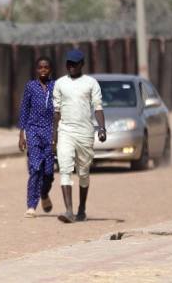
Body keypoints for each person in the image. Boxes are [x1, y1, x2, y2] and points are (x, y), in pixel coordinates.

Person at [52, 49, 106, 223]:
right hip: (65, 131)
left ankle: (81, 208)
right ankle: (68, 211)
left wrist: (102, 128)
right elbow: (57, 112)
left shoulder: (91, 83)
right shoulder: (60, 84)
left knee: (83, 172)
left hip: (85, 133)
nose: (71, 66)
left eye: (75, 63)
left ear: (82, 64)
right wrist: (54, 137)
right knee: (65, 169)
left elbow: (98, 107)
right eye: (68, 63)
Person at [18, 56, 56, 218]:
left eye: (46, 68)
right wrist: (21, 134)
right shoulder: (31, 87)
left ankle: (44, 194)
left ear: (50, 69)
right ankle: (31, 206)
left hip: (50, 131)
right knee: (35, 168)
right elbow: (24, 109)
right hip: (33, 130)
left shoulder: (55, 86)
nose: (43, 71)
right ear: (36, 69)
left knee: (48, 172)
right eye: (40, 68)